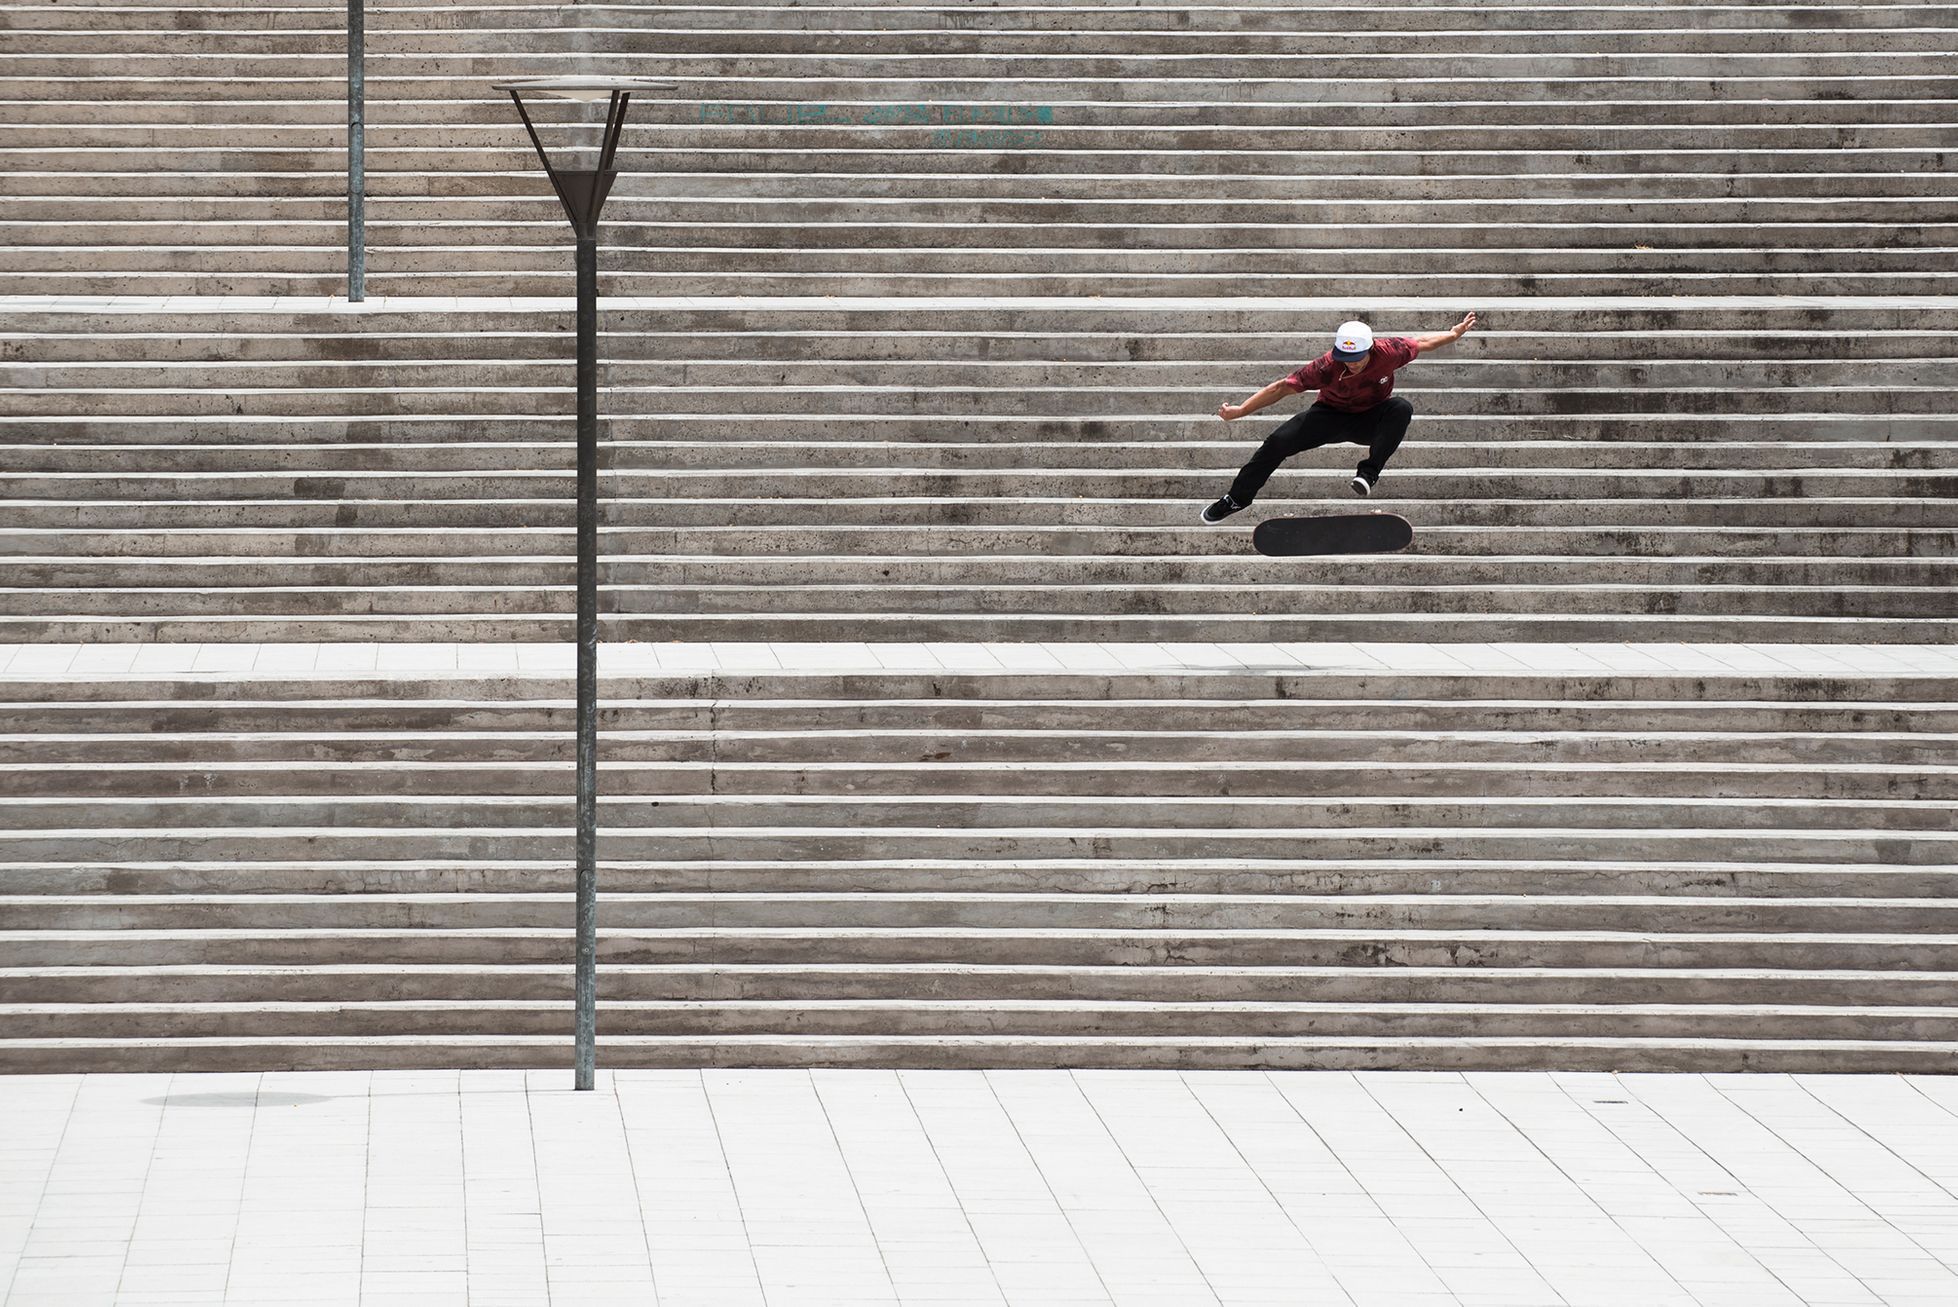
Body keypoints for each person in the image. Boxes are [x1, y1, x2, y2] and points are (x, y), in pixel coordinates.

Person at [1201, 313, 1477, 523]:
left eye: (1357, 357)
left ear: (1369, 349)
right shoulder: (1326, 366)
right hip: (1328, 415)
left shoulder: (1389, 351)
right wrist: (1239, 411)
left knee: (1401, 408)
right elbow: (1282, 387)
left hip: (1371, 418)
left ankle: (1368, 474)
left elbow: (1423, 342)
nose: (1352, 363)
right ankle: (1236, 499)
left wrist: (1453, 334)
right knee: (1275, 443)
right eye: (1346, 357)